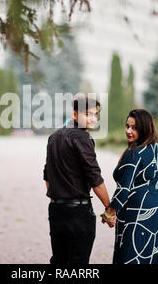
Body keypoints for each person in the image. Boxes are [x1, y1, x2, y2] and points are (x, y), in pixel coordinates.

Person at [100, 109, 158, 264]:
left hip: (137, 212)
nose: (128, 131)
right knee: (155, 256)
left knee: (133, 256)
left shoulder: (134, 153)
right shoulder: (155, 148)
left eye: (134, 128)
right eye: (127, 126)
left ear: (144, 129)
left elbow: (123, 189)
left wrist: (109, 213)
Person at [43, 94, 113, 264]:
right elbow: (95, 178)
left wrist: (59, 196)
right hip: (78, 214)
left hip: (56, 210)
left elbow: (47, 176)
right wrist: (109, 209)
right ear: (75, 115)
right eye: (88, 114)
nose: (93, 118)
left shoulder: (53, 137)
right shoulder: (83, 138)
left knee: (59, 261)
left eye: (95, 114)